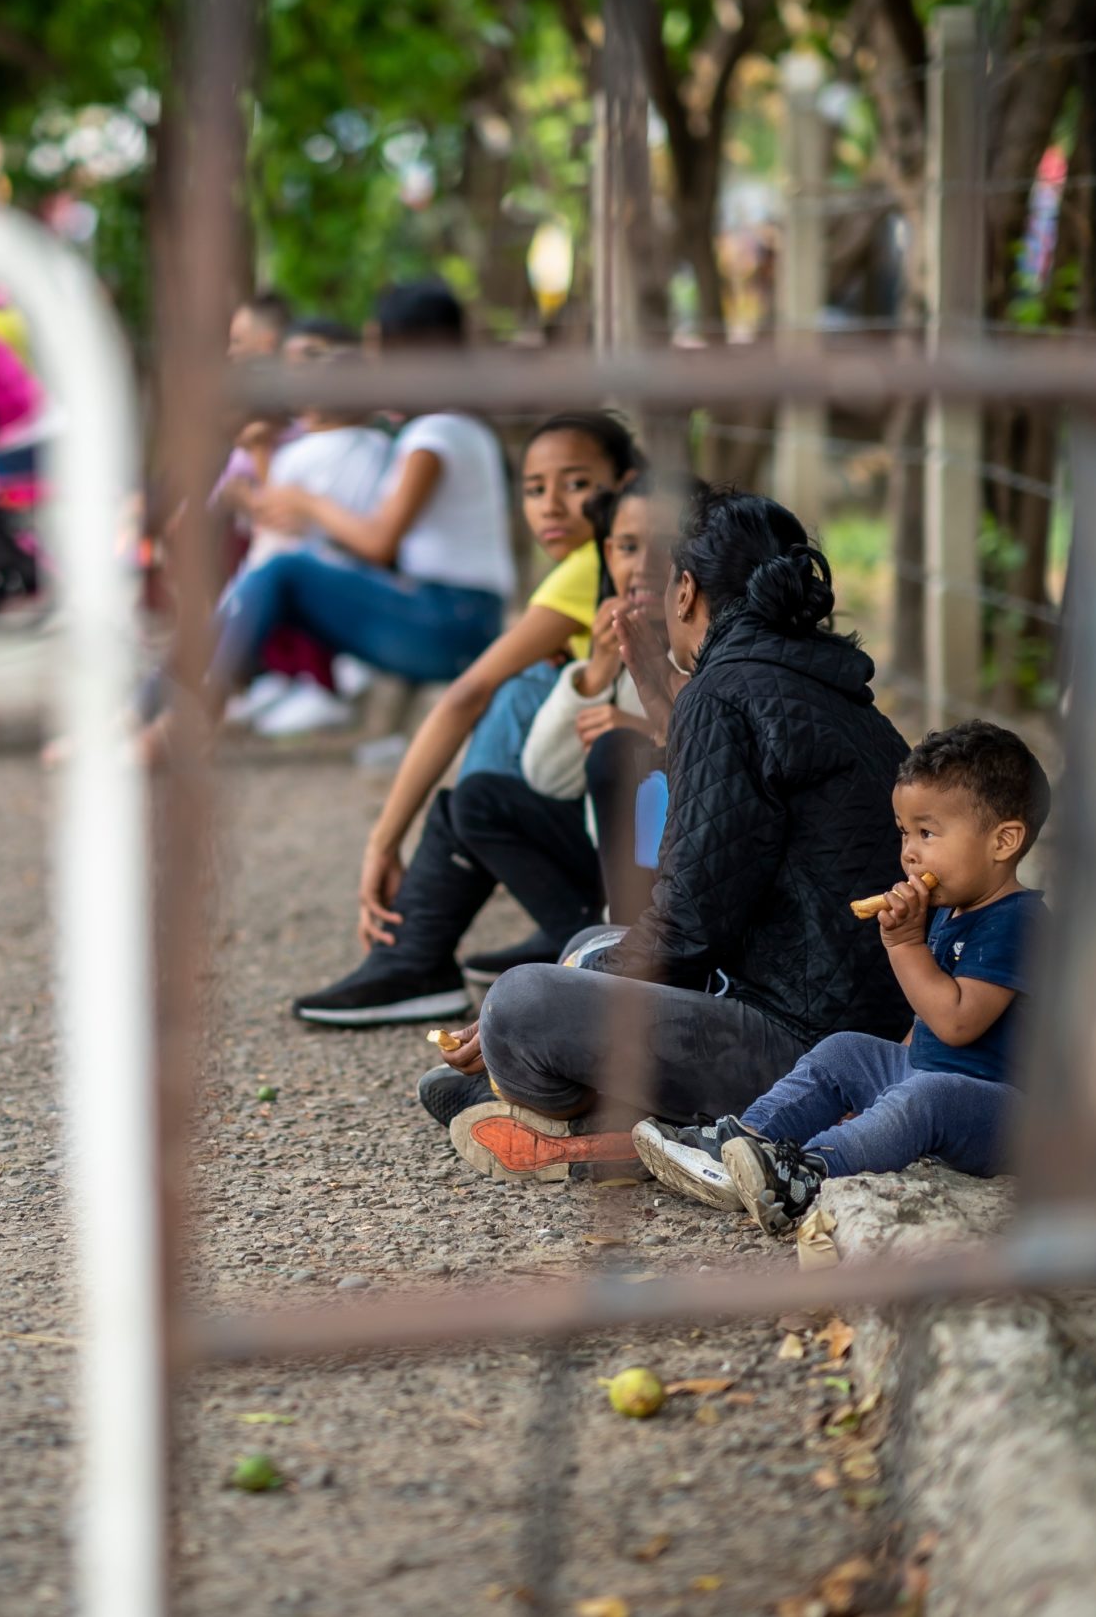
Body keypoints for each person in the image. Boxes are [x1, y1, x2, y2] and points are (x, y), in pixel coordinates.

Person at [427, 489, 913, 1182]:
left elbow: (688, 924)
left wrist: (565, 994)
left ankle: (600, 1120)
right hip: (846, 1026)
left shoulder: (724, 692)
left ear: (685, 590)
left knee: (520, 1003)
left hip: (803, 1050)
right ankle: (584, 1106)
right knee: (582, 947)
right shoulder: (834, 692)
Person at [288, 411, 643, 1026]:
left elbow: (463, 696)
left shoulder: (595, 564)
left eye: (577, 483)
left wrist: (383, 842)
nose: (551, 506)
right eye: (534, 489)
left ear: (626, 482)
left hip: (636, 828)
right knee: (520, 708)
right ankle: (520, 930)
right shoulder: (599, 568)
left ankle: (436, 954)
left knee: (501, 725)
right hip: (621, 819)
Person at [631, 721, 1052, 1231]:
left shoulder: (1017, 921)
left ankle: (808, 1173)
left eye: (927, 832)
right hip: (930, 1078)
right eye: (904, 833)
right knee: (845, 1050)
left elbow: (959, 1022)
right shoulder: (949, 910)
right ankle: (741, 1145)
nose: (910, 852)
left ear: (1003, 841)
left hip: (998, 1110)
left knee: (926, 1097)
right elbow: (923, 1026)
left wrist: (904, 944)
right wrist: (881, 1084)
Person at [152, 279, 512, 761]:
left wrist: (307, 502)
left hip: (451, 623)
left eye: (378, 349)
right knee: (270, 576)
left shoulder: (435, 435)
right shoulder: (451, 427)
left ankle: (188, 720)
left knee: (282, 571)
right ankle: (171, 707)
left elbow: (380, 542)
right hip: (449, 616)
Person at [222, 317, 394, 737]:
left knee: (269, 573)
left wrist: (258, 456)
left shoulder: (301, 453)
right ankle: (295, 681)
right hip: (364, 566)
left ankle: (316, 685)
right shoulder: (384, 447)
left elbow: (272, 505)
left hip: (314, 567)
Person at [519, 477, 674, 925]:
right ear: (608, 554)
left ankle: (635, 934)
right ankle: (573, 930)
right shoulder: (620, 649)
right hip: (606, 858)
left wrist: (645, 732)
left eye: (665, 547)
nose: (643, 566)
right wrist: (597, 670)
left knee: (619, 750)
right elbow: (547, 778)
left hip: (674, 877)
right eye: (628, 548)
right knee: (476, 801)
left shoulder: (709, 649)